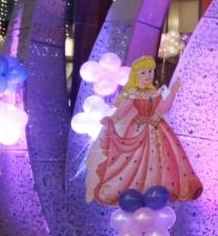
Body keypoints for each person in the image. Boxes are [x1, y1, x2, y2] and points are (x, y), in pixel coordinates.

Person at [86, 55, 203, 205]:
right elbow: (122, 111)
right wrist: (112, 119)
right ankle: (135, 192)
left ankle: (156, 192)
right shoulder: (133, 93)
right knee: (134, 162)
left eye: (150, 71)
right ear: (135, 75)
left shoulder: (157, 92)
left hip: (158, 128)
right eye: (143, 72)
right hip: (137, 130)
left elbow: (162, 108)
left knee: (161, 161)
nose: (148, 75)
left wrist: (172, 92)